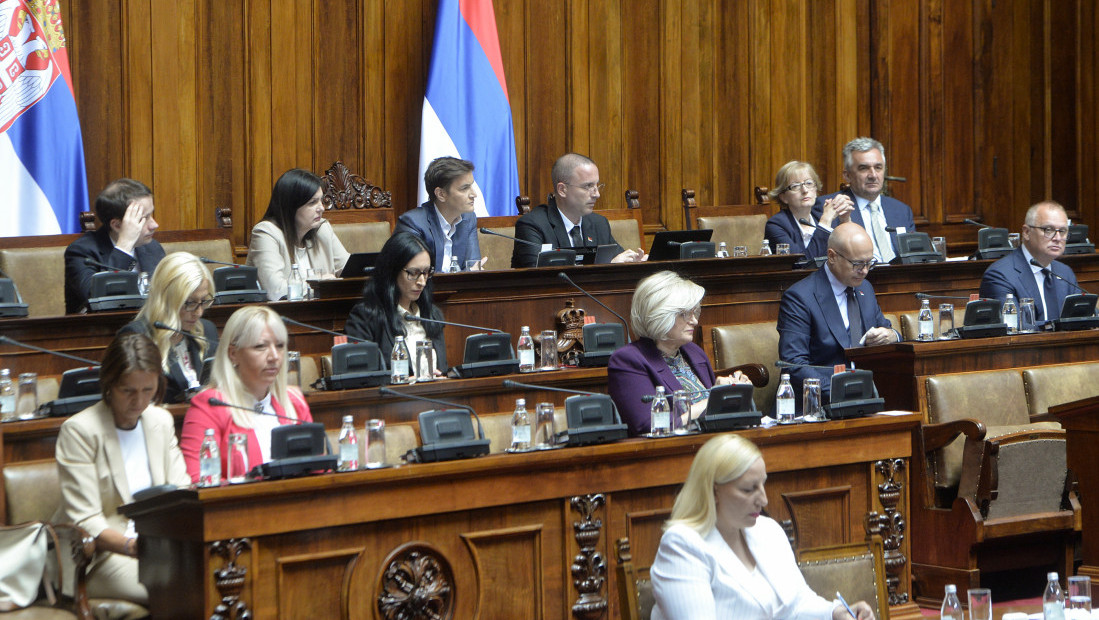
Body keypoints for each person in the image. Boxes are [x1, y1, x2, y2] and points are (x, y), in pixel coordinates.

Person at [650, 434, 876, 620]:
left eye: (763, 485)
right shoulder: (683, 545)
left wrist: (835, 613)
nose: (764, 500)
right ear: (713, 490)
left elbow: (796, 605)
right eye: (749, 489)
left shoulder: (767, 530)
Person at [54, 332, 191, 604]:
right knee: (179, 591)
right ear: (108, 385)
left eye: (148, 391)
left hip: (162, 546)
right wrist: (133, 546)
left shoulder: (160, 421)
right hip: (103, 556)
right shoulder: (80, 431)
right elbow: (85, 519)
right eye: (128, 391)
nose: (139, 402)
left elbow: (181, 491)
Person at [608, 271, 750, 436]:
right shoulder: (628, 360)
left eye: (694, 312)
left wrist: (736, 394)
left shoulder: (694, 352)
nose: (695, 321)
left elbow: (715, 417)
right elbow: (649, 426)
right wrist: (715, 398)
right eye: (684, 314)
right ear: (658, 315)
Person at [180, 306, 313, 481]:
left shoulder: (294, 400)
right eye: (260, 346)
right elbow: (198, 480)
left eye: (280, 346)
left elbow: (317, 469)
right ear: (233, 354)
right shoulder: (210, 405)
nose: (274, 356)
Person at [777, 223, 898, 406]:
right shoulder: (800, 297)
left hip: (865, 398)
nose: (864, 271)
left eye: (869, 263)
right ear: (832, 256)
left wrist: (892, 336)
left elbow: (886, 329)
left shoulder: (865, 288)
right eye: (857, 264)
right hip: (818, 403)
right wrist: (842, 392)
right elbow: (794, 364)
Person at [511, 153, 645, 268]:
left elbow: (619, 258)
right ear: (562, 190)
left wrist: (634, 262)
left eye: (597, 186)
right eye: (588, 186)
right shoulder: (533, 225)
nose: (597, 194)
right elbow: (540, 279)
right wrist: (608, 267)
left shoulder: (599, 224)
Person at [118, 252, 219, 403]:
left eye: (204, 301)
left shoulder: (207, 330)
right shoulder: (136, 337)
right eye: (190, 303)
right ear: (166, 299)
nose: (199, 312)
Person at [346, 232, 447, 376]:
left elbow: (442, 368)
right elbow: (362, 378)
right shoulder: (366, 317)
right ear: (392, 271)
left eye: (426, 273)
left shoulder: (432, 315)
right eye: (413, 273)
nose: (422, 282)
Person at [64, 178, 164, 314]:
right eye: (143, 218)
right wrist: (124, 246)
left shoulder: (152, 247)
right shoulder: (81, 252)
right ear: (117, 225)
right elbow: (99, 302)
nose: (154, 225)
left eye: (151, 215)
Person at [246, 168, 349, 300]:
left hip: (325, 314)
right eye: (313, 202)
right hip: (282, 317)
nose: (321, 208)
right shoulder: (266, 233)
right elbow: (276, 291)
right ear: (291, 206)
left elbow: (350, 272)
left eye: (321, 200)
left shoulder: (322, 229)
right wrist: (319, 282)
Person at [814, 137, 915, 263]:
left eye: (878, 167)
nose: (873, 175)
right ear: (847, 175)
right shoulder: (830, 207)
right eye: (864, 168)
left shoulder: (901, 210)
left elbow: (914, 257)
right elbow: (819, 257)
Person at [979, 200, 1078, 323]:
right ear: (1026, 232)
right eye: (1048, 229)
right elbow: (1013, 327)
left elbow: (1083, 318)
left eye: (1062, 231)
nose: (1057, 238)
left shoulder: (1065, 273)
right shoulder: (1000, 276)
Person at [395, 157, 484, 272]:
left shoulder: (468, 218)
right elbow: (415, 276)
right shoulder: (412, 223)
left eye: (471, 186)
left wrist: (470, 272)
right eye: (464, 188)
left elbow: (473, 269)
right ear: (441, 194)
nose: (474, 194)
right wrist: (468, 272)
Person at [764, 161, 854, 261]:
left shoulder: (821, 216)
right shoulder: (776, 225)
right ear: (783, 197)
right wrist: (825, 222)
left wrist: (845, 221)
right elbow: (803, 265)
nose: (805, 190)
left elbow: (852, 256)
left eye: (809, 183)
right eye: (795, 186)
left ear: (815, 190)